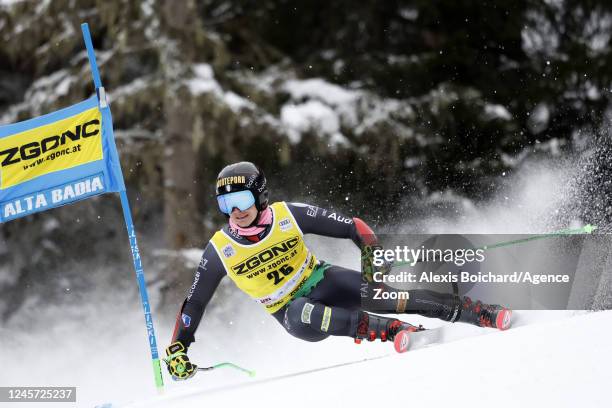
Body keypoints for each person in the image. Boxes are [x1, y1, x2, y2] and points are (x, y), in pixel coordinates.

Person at [164, 161, 511, 380]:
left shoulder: (288, 215)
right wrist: (179, 347)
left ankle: (476, 313)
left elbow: (352, 226)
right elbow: (194, 303)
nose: (235, 212)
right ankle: (393, 332)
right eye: (226, 204)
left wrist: (371, 256)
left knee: (385, 296)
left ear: (259, 197)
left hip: (322, 279)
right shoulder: (220, 249)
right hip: (290, 311)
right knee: (304, 310)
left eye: (241, 201)